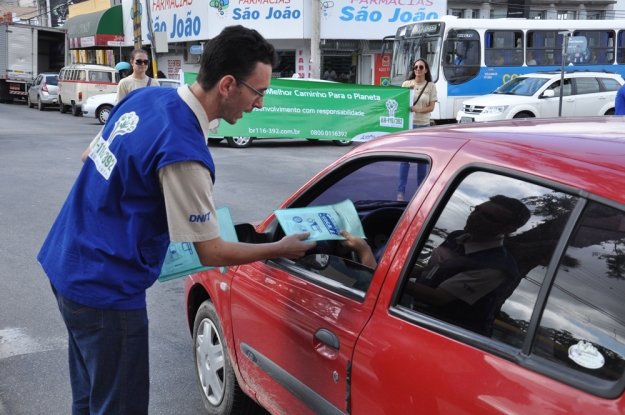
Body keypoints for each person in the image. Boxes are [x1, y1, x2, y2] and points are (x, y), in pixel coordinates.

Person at [38, 25, 316, 415]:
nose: (260, 104)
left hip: (65, 263)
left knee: (89, 399)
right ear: (228, 84)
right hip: (105, 289)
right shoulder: (184, 151)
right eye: (259, 92)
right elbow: (212, 250)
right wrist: (280, 247)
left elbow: (92, 158)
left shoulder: (148, 97)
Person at [341, 195, 531, 336]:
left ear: (507, 229)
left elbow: (437, 297)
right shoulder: (457, 236)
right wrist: (393, 270)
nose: (475, 217)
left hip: (449, 334)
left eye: (487, 216)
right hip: (417, 316)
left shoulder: (497, 267)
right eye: (477, 210)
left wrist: (372, 263)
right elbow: (431, 270)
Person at [396, 58, 437, 201]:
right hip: (409, 126)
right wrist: (406, 92)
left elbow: (431, 107)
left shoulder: (431, 86)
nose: (418, 69)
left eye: (421, 67)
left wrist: (418, 110)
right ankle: (400, 192)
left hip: (424, 126)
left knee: (422, 160)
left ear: (426, 70)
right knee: (405, 160)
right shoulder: (407, 84)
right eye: (415, 67)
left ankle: (421, 192)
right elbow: (399, 103)